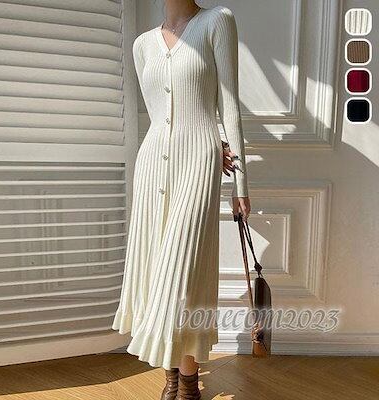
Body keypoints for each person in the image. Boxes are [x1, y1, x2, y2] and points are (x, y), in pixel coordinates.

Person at [112, 1, 251, 398]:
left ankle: (188, 381)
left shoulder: (216, 21)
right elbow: (160, 114)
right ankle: (173, 376)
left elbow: (229, 104)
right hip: (153, 163)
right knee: (157, 272)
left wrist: (241, 185)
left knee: (183, 274)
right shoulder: (142, 44)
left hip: (199, 160)